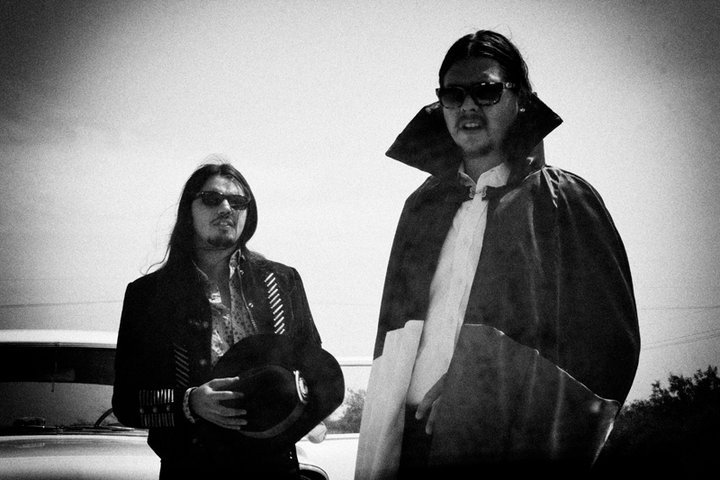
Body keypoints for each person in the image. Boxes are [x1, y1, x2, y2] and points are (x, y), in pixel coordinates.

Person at [355, 30, 640, 479]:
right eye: (453, 94)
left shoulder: (563, 202)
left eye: (486, 91)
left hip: (509, 445)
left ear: (519, 99)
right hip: (412, 445)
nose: (468, 106)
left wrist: (478, 393)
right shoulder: (421, 207)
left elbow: (607, 345)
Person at [113, 159, 331, 479]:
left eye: (238, 201)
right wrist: (190, 402)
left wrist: (302, 411)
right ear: (188, 211)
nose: (227, 208)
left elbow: (316, 370)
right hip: (191, 469)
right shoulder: (148, 296)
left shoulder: (282, 282)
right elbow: (127, 404)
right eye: (212, 199)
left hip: (276, 469)